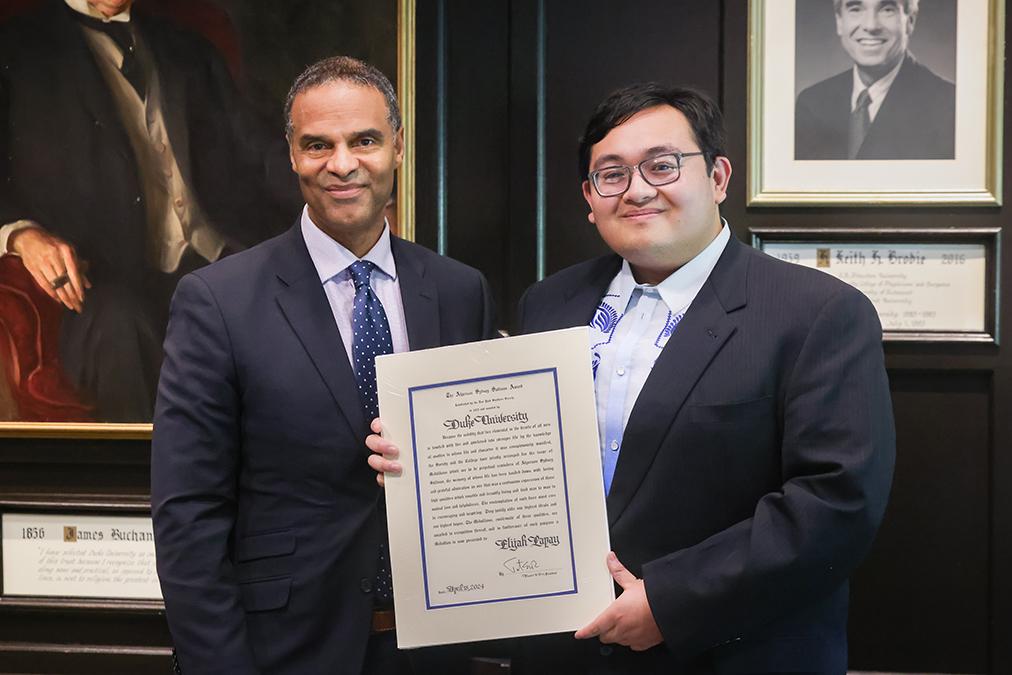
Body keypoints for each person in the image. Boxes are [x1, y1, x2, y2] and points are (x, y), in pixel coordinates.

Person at [371, 82, 895, 673]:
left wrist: (673, 603)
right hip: (563, 651)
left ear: (718, 177)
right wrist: (425, 454)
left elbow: (836, 504)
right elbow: (522, 457)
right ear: (589, 199)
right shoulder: (552, 303)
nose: (638, 189)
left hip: (732, 651)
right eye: (611, 174)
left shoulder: (817, 312)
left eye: (662, 166)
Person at [151, 55, 496, 674]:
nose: (342, 164)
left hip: (432, 647)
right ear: (291, 154)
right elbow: (188, 514)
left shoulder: (457, 290)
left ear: (396, 147)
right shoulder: (218, 301)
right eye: (318, 145)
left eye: (363, 140)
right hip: (283, 651)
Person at [0, 0, 297, 421]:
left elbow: (259, 151)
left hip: (213, 257)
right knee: (121, 329)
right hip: (101, 277)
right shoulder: (18, 48)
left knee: (281, 303)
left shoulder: (186, 47)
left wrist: (337, 201)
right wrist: (21, 233)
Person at [795, 0, 955, 160]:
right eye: (856, 9)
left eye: (887, 9)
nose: (871, 26)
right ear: (839, 21)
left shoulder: (950, 107)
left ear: (910, 21)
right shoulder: (811, 104)